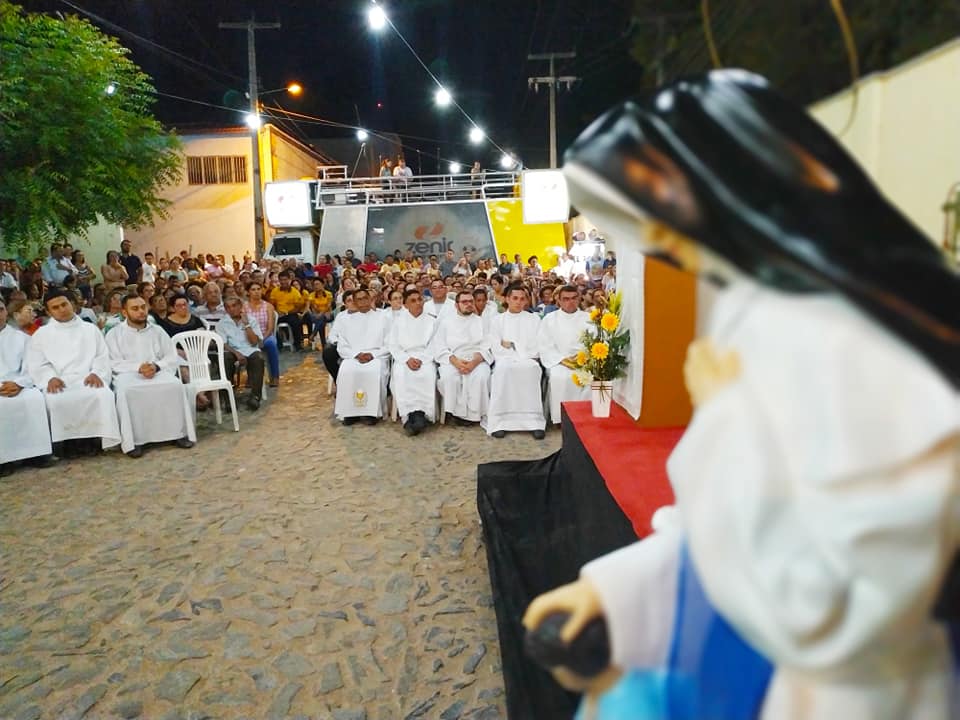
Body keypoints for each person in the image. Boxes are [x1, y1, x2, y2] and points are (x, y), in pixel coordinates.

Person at [523, 70, 960, 719]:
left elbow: (828, 598)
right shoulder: (754, 308)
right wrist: (620, 592)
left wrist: (728, 419)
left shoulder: (864, 347)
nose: (660, 247)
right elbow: (724, 524)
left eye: (660, 220)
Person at [27, 288, 121, 454]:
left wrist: (97, 373)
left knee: (102, 395)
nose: (62, 309)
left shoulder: (90, 329)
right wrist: (49, 378)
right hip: (60, 380)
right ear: (48, 312)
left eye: (64, 304)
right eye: (55, 308)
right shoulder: (41, 334)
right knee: (55, 399)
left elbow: (102, 356)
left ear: (73, 304)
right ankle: (67, 443)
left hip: (88, 377)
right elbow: (38, 363)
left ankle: (94, 438)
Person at [105, 295, 196, 457]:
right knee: (128, 391)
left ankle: (178, 434)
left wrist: (156, 366)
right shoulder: (114, 334)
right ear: (124, 312)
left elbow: (171, 356)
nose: (140, 312)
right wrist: (138, 367)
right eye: (135, 309)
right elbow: (113, 362)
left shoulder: (158, 331)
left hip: (157, 371)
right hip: (128, 375)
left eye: (143, 307)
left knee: (174, 385)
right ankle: (135, 441)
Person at [484, 283, 546, 439]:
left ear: (526, 301)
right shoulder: (497, 320)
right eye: (515, 298)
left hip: (529, 359)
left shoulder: (534, 319)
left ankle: (534, 422)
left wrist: (513, 344)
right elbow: (495, 344)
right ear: (507, 299)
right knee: (504, 370)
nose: (518, 302)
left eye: (522, 299)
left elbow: (539, 344)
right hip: (505, 359)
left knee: (531, 370)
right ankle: (501, 422)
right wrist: (510, 350)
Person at [0, 299, 54, 476]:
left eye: (0, 310)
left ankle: (37, 453)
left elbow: (32, 366)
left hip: (19, 383)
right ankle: (4, 459)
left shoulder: (22, 338)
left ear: (6, 313)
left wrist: (19, 383)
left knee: (33, 399)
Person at [430, 290, 492, 426]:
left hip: (476, 360)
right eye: (464, 302)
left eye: (471, 301)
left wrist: (473, 363)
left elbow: (487, 346)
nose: (469, 304)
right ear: (456, 305)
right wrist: (456, 362)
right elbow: (439, 346)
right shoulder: (446, 322)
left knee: (481, 376)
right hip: (452, 360)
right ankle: (455, 413)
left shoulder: (481, 322)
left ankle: (474, 414)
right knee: (449, 378)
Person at [333, 288, 390, 425]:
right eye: (359, 299)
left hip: (376, 356)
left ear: (371, 299)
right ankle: (350, 413)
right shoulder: (347, 320)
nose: (363, 301)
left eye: (365, 298)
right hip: (354, 357)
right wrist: (356, 354)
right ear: (355, 302)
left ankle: (371, 413)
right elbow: (342, 345)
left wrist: (373, 354)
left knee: (372, 371)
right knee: (347, 371)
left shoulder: (383, 317)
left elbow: (390, 342)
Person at [537, 285, 591, 424]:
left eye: (574, 298)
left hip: (583, 360)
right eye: (566, 299)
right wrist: (562, 360)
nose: (570, 302)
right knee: (559, 377)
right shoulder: (550, 319)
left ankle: (584, 417)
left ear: (579, 299)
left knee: (590, 378)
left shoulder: (588, 318)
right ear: (559, 301)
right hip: (558, 361)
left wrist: (582, 357)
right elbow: (545, 344)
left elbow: (595, 342)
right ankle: (561, 419)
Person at [388, 289, 437, 435]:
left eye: (420, 299)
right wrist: (406, 359)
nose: (418, 303)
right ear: (406, 304)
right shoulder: (398, 322)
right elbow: (393, 345)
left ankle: (423, 413)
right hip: (404, 357)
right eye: (413, 301)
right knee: (401, 375)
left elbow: (435, 344)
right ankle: (408, 415)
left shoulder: (432, 321)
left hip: (425, 358)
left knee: (426, 374)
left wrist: (421, 359)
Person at [216, 296, 265, 411]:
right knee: (225, 358)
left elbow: (254, 342)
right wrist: (237, 354)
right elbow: (223, 343)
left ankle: (255, 396)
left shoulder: (251, 320)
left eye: (234, 306)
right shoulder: (222, 323)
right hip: (232, 350)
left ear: (240, 306)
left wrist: (246, 325)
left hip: (250, 349)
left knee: (258, 358)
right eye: (228, 307)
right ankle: (229, 399)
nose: (231, 309)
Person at [242, 281, 280, 387]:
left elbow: (270, 327)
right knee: (246, 345)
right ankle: (251, 377)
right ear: (248, 292)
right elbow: (243, 325)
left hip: (265, 335)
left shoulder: (268, 306)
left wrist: (262, 339)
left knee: (271, 344)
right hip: (249, 336)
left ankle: (275, 376)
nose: (256, 292)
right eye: (253, 290)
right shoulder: (244, 307)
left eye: (258, 289)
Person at [271, 270, 306, 351]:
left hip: (290, 313)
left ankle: (297, 344)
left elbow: (298, 307)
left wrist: (286, 313)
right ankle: (278, 344)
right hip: (278, 313)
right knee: (270, 323)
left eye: (285, 280)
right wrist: (277, 312)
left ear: (289, 280)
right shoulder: (275, 291)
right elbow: (272, 305)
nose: (283, 282)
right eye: (281, 280)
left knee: (295, 321)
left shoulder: (295, 292)